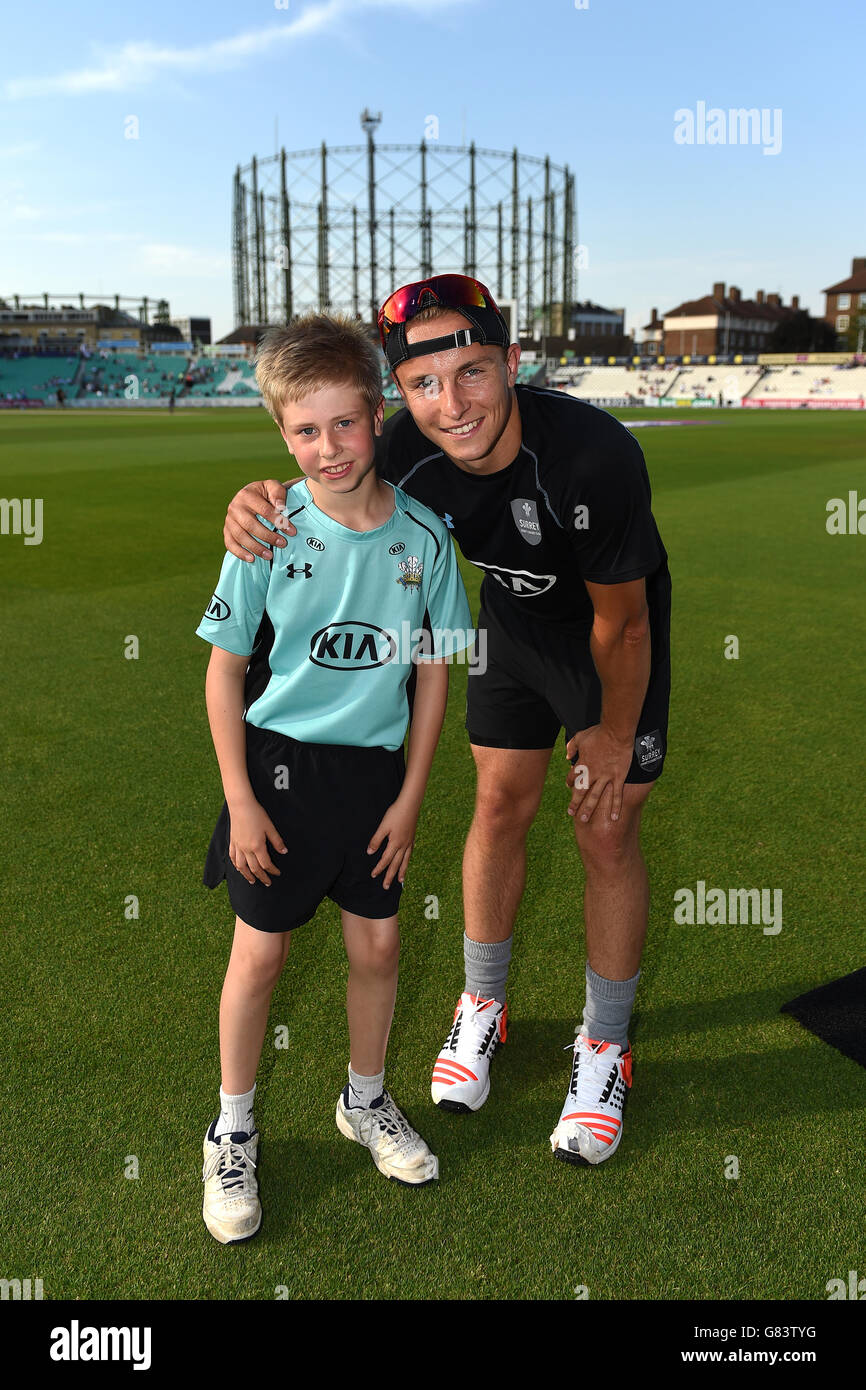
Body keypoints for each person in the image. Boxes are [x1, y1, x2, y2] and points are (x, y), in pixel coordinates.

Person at [222, 274, 672, 1169]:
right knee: (499, 806)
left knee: (606, 825)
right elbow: (326, 468)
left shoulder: (592, 455)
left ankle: (606, 1045)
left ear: (512, 362)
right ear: (401, 393)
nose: (451, 405)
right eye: (424, 384)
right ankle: (483, 1005)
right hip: (507, 626)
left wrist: (613, 733)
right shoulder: (400, 447)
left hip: (607, 638)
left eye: (471, 373)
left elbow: (622, 623)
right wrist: (254, 496)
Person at [196, 312, 473, 1243]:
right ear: (281, 434)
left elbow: (436, 671)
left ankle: (365, 1099)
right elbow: (225, 668)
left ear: (379, 414)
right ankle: (232, 1127)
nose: (328, 448)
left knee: (379, 950)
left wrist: (410, 797)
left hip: (375, 779)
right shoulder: (269, 532)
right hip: (275, 773)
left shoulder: (428, 541)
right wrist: (239, 798)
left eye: (345, 424)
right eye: (305, 431)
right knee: (261, 955)